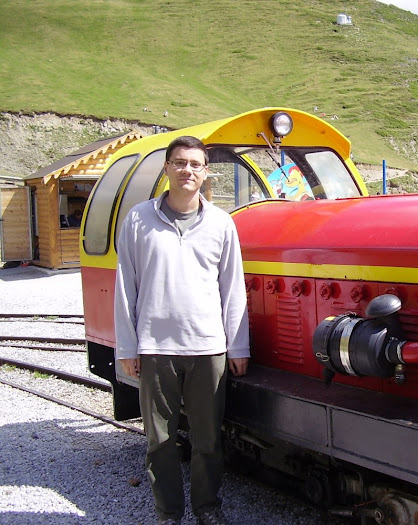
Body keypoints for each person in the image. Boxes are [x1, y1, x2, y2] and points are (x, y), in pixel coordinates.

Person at [114, 136, 250, 525]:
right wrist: (127, 346)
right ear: (167, 168)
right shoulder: (138, 220)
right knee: (159, 441)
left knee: (208, 440)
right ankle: (168, 513)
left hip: (208, 349)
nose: (187, 170)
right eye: (179, 162)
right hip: (156, 348)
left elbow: (232, 288)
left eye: (195, 163)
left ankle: (207, 508)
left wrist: (238, 347)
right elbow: (126, 286)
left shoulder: (221, 224)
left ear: (205, 172)